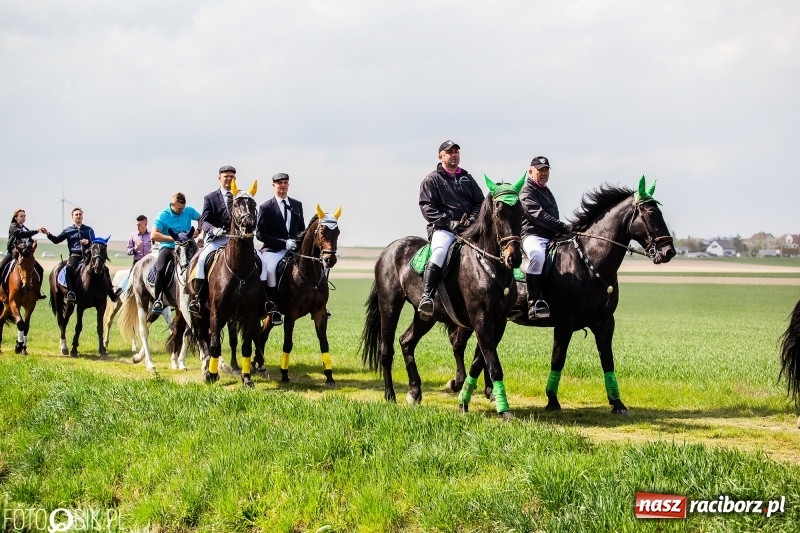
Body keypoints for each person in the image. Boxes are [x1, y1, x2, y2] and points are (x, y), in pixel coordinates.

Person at [188, 165, 276, 318]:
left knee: (262, 261)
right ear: (219, 178)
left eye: (231, 176)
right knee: (201, 260)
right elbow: (205, 221)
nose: (229, 179)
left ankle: (265, 301)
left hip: (239, 241)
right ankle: (198, 299)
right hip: (217, 240)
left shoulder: (241, 196)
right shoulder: (210, 197)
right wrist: (214, 229)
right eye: (226, 176)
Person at [417, 140, 484, 320]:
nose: (454, 155)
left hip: (468, 229)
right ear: (441, 156)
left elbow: (480, 202)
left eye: (456, 152)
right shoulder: (432, 179)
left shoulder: (467, 178)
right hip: (443, 230)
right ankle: (427, 297)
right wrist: (449, 223)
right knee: (439, 252)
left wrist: (472, 219)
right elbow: (427, 207)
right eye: (449, 152)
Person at [520, 156, 570, 319]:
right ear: (530, 171)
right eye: (540, 170)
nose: (543, 173)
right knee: (538, 257)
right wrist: (562, 226)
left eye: (546, 170)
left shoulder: (546, 190)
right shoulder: (527, 190)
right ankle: (534, 302)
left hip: (550, 236)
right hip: (532, 235)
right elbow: (538, 215)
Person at [256, 172, 305, 326]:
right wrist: (283, 243)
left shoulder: (297, 205)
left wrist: (297, 242)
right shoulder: (265, 207)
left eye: (285, 182)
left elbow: (301, 229)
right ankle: (273, 307)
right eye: (279, 183)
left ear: (288, 185)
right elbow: (260, 234)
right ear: (274, 186)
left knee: (316, 266)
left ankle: (319, 303)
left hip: (294, 249)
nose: (282, 185)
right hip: (273, 250)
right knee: (270, 269)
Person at [46, 207, 117, 303]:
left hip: (88, 255)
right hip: (75, 256)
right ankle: (71, 293)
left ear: (82, 216)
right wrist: (48, 233)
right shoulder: (68, 230)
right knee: (68, 268)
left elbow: (94, 244)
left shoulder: (88, 230)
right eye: (76, 214)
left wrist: (88, 242)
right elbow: (56, 240)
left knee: (104, 268)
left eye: (80, 214)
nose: (78, 216)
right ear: (72, 217)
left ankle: (111, 291)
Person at [150, 192, 201, 314]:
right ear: (173, 204)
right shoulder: (162, 216)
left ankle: (199, 297)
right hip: (169, 247)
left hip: (188, 246)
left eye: (183, 208)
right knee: (161, 268)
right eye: (179, 208)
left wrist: (199, 229)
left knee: (202, 264)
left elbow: (201, 218)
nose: (182, 210)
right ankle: (158, 299)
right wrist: (174, 238)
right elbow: (154, 235)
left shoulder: (188, 210)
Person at [0, 208, 47, 300]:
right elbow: (20, 234)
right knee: (1, 268)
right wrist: (37, 231)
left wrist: (31, 245)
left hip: (26, 255)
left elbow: (30, 240)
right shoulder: (13, 226)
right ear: (16, 217)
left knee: (40, 269)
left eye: (24, 216)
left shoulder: (26, 229)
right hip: (13, 253)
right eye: (21, 216)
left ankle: (38, 293)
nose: (23, 217)